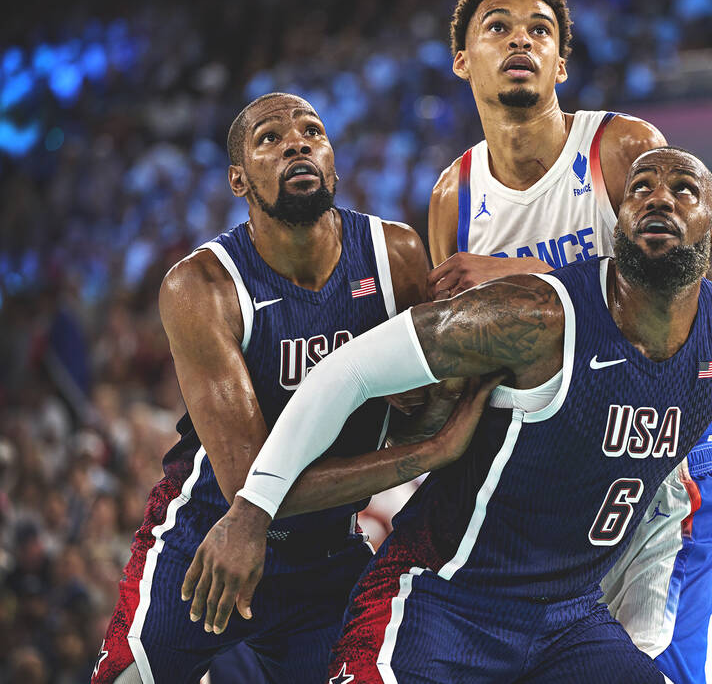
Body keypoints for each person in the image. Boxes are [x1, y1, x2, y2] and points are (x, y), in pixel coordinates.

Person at [184, 146, 712, 683]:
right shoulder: (534, 318)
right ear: (615, 223)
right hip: (444, 600)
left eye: (683, 189)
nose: (658, 197)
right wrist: (252, 508)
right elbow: (347, 371)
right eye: (641, 186)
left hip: (567, 617)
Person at [91, 92, 496, 684]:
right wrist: (429, 453)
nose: (297, 144)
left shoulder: (395, 254)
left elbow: (428, 407)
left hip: (327, 552)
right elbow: (251, 484)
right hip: (212, 535)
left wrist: (427, 403)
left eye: (312, 132)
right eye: (270, 139)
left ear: (333, 160)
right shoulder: (202, 284)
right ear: (238, 180)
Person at [426, 0, 712, 679]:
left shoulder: (620, 146)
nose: (521, 40)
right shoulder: (455, 193)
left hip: (654, 471)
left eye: (540, 30)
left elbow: (673, 292)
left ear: (561, 64)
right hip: (544, 506)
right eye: (498, 27)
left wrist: (512, 275)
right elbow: (461, 364)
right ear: (462, 60)